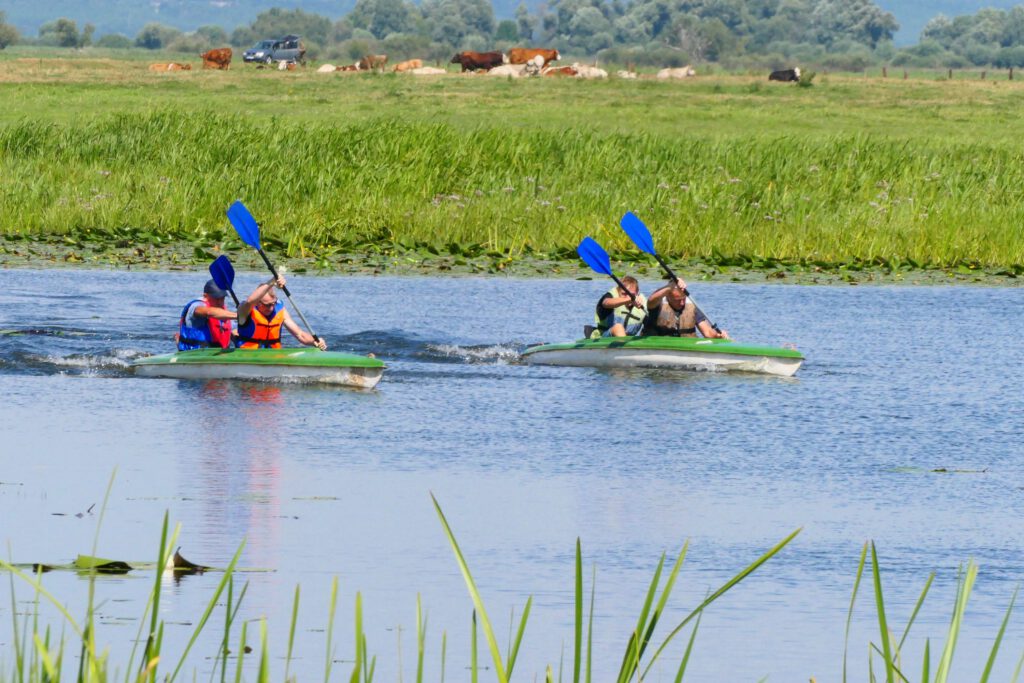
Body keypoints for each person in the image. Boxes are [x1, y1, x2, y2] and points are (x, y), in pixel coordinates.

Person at [236, 275, 327, 350]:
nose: (271, 308)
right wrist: (272, 282)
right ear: (258, 302)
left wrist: (314, 341)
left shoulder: (280, 310)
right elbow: (250, 301)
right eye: (267, 305)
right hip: (249, 355)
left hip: (274, 356)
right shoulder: (245, 310)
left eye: (273, 304)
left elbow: (300, 334)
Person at [644, 278, 729, 339]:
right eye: (677, 300)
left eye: (683, 299)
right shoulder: (657, 304)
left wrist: (717, 335)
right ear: (668, 296)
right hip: (659, 345)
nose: (682, 303)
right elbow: (651, 299)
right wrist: (670, 286)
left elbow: (707, 332)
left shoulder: (691, 306)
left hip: (685, 346)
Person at [177, 279, 236, 351]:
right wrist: (238, 316)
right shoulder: (196, 306)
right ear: (205, 296)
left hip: (217, 355)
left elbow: (235, 331)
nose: (220, 303)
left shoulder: (224, 314)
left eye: (222, 299)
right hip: (192, 353)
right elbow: (208, 312)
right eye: (217, 299)